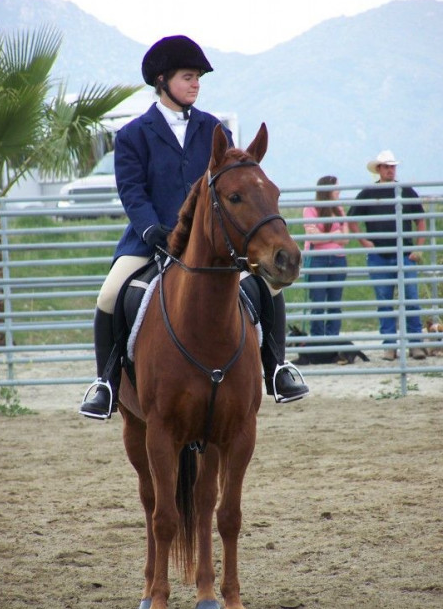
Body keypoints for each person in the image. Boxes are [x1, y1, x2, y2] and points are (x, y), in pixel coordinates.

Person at [79, 35, 309, 420]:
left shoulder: (212, 129)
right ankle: (107, 384)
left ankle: (277, 368)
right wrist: (151, 228)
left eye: (198, 77)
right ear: (163, 80)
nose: (196, 84)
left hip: (210, 242)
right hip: (149, 240)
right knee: (110, 295)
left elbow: (232, 185)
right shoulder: (133, 134)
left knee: (268, 288)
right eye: (188, 76)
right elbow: (132, 191)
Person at [347, 150, 426, 361]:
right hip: (379, 255)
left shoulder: (406, 191)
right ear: (379, 170)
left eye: (392, 166)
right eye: (386, 166)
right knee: (385, 301)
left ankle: (415, 344)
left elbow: (420, 220)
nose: (390, 170)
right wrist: (364, 241)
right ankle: (390, 346)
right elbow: (352, 219)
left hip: (404, 253)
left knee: (411, 299)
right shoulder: (368, 193)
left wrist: (418, 247)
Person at [303, 175, 349, 337]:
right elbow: (313, 237)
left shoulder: (339, 209)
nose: (339, 191)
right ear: (328, 190)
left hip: (338, 259)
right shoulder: (311, 208)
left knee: (335, 304)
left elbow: (346, 238)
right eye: (336, 188)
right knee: (318, 304)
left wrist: (324, 235)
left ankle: (332, 339)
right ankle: (318, 340)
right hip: (318, 259)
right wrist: (334, 234)